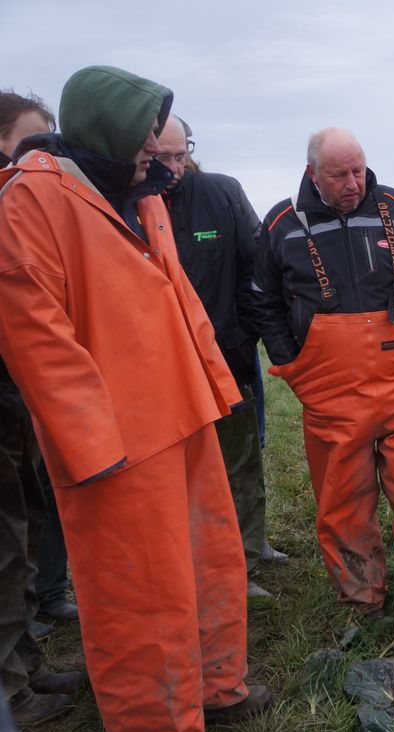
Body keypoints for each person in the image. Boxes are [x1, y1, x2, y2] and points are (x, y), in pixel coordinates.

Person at [0, 65, 271, 732]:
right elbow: (34, 334)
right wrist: (89, 447)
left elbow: (178, 296)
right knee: (136, 592)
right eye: (149, 133)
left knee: (212, 562)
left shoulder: (136, 194)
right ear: (109, 127)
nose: (159, 149)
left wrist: (216, 383)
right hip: (115, 442)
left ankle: (217, 687)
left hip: (180, 412)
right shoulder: (32, 198)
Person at [252, 128, 394, 624]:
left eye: (359, 170)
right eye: (339, 174)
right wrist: (294, 364)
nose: (353, 182)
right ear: (312, 175)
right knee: (343, 499)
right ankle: (361, 597)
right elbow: (263, 299)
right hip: (329, 386)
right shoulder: (281, 223)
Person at [156, 115, 282, 598]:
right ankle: (194, 564)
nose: (173, 167)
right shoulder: (127, 203)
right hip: (164, 366)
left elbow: (256, 266)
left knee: (241, 459)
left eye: (180, 154)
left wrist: (243, 335)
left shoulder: (221, 193)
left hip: (227, 355)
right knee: (184, 470)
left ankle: (248, 556)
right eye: (162, 157)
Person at [0, 89, 82, 727]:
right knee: (4, 545)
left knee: (22, 538)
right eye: (28, 144)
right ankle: (11, 693)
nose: (39, 159)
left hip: (15, 406)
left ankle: (23, 665)